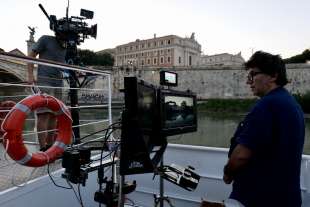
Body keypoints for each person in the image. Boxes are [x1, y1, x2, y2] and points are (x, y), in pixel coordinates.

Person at [223, 51, 305, 207]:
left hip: (258, 198)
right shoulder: (292, 104)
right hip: (286, 197)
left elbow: (241, 156)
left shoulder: (266, 105)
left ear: (273, 76)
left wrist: (228, 173)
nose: (249, 82)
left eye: (253, 75)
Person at [27, 32, 66, 151]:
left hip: (59, 82)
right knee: (43, 114)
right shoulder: (45, 39)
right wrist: (30, 75)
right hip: (44, 81)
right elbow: (31, 54)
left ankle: (50, 145)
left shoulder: (68, 46)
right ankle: (43, 147)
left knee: (54, 115)